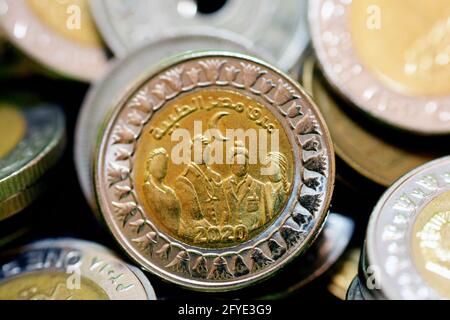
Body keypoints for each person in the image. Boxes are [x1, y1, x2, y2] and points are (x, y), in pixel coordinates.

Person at [175, 135, 228, 239]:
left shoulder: (216, 177)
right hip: (197, 235)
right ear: (191, 153)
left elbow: (224, 208)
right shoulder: (184, 179)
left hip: (220, 233)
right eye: (200, 151)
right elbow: (189, 217)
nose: (204, 153)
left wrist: (220, 229)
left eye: (206, 151)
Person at [222, 141, 268, 231]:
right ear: (230, 166)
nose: (241, 167)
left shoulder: (260, 187)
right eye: (237, 164)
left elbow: (266, 215)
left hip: (253, 232)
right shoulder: (222, 185)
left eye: (243, 164)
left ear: (247, 166)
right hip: (227, 232)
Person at [143, 148, 180, 234]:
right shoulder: (146, 189)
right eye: (158, 162)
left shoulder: (170, 192)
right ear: (149, 164)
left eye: (164, 164)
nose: (162, 166)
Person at [263, 152, 290, 220]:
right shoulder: (265, 187)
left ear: (281, 167)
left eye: (272, 167)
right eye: (267, 167)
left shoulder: (289, 187)